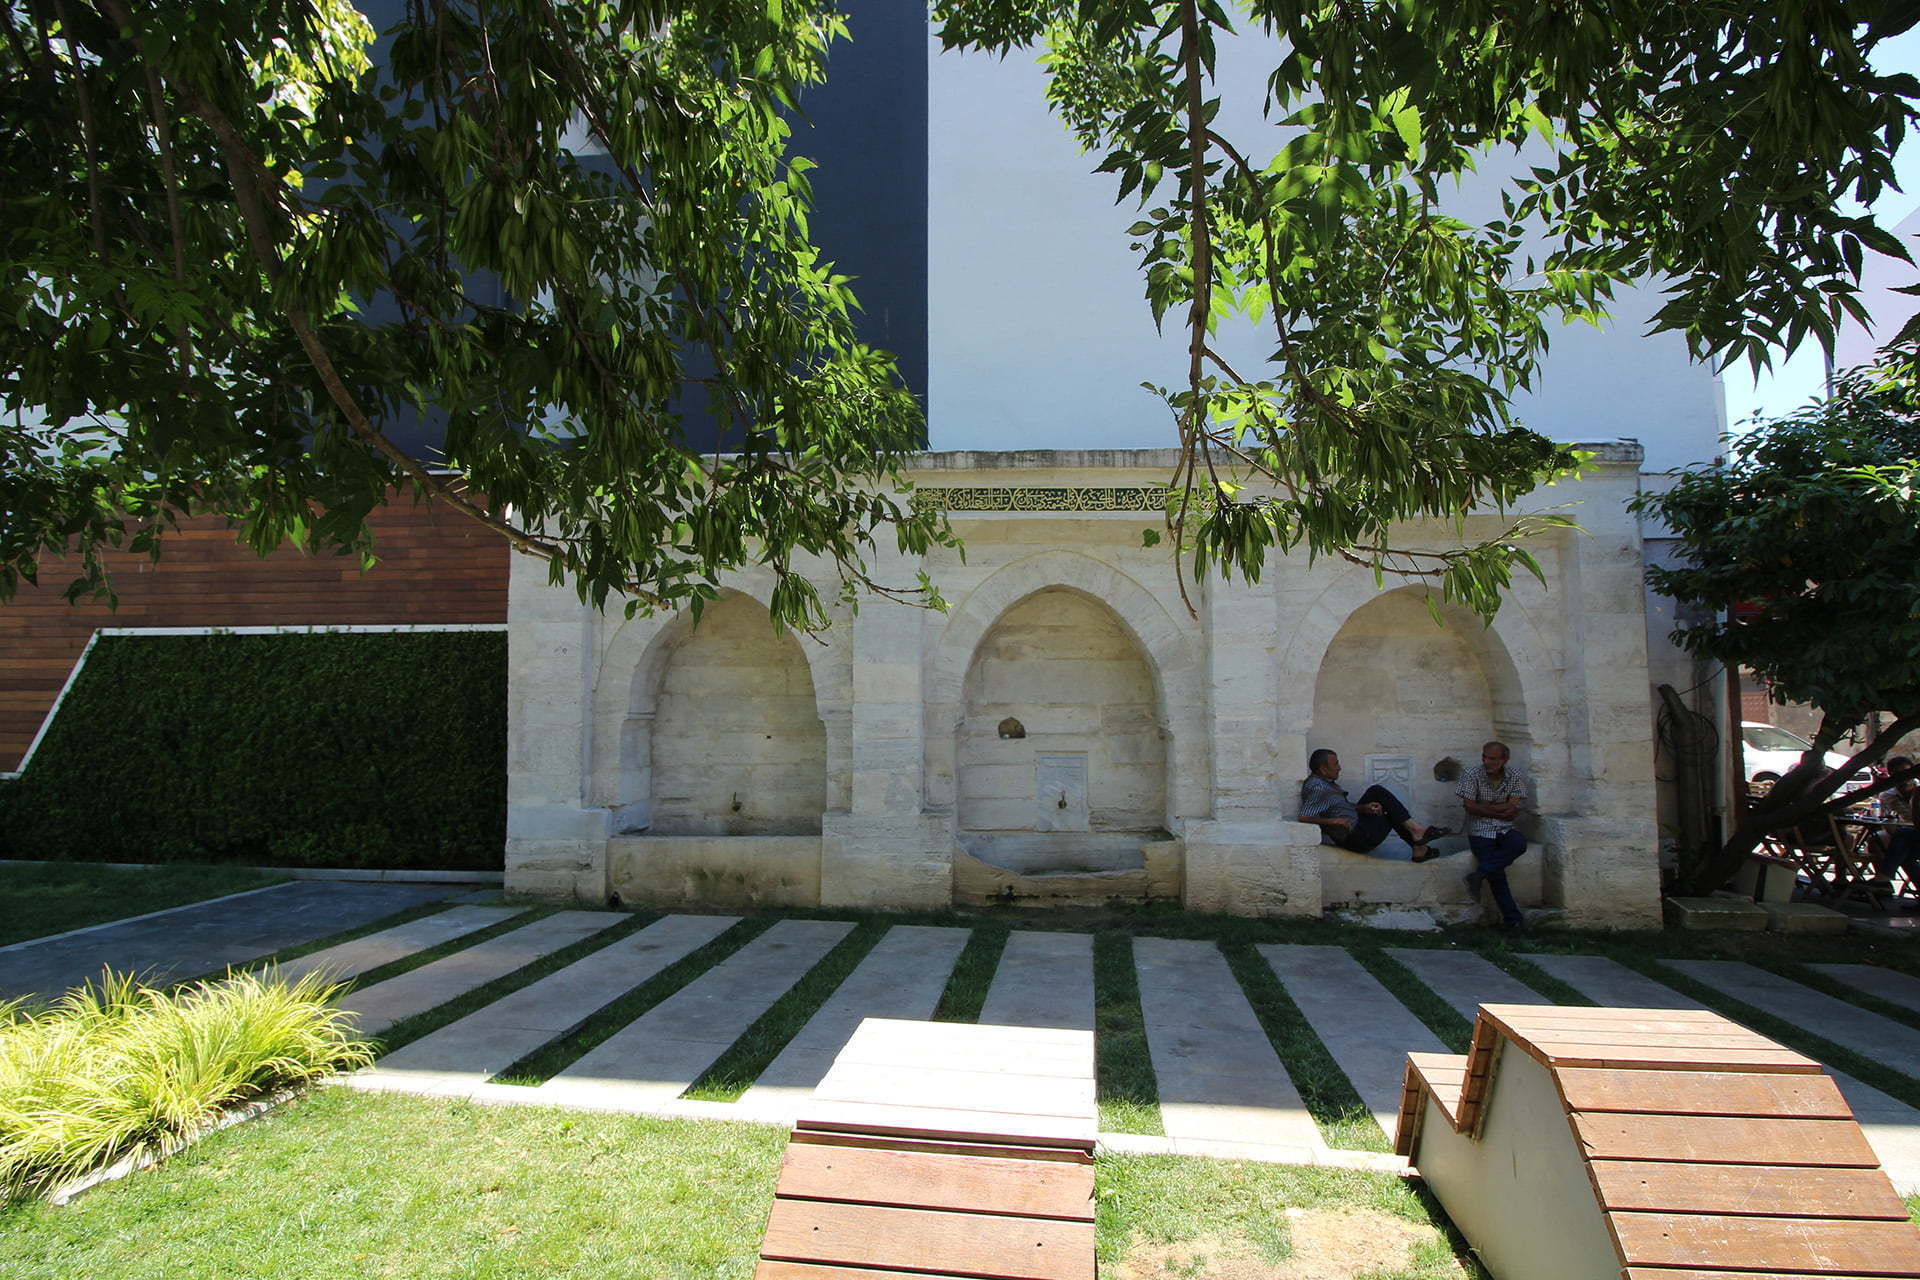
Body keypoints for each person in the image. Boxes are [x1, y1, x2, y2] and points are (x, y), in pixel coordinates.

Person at [1297, 748, 1453, 861]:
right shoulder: (1318, 787)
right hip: (1356, 838)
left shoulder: (1326, 783)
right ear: (1323, 769)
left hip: (1357, 824)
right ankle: (1417, 839)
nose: (1339, 767)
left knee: (1375, 792)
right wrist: (1333, 821)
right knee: (1388, 812)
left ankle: (1417, 841)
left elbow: (1338, 807)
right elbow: (1304, 817)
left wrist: (1363, 808)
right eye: (1335, 764)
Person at [1456, 740, 1530, 931]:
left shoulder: (1514, 776)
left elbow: (1513, 805)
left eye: (1493, 759)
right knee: (1497, 875)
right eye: (1485, 757)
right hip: (1480, 829)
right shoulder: (1472, 774)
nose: (1487, 762)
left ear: (1504, 760)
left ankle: (1479, 874)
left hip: (1505, 828)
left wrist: (1484, 807)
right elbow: (1470, 806)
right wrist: (1500, 812)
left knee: (1519, 843)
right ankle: (1514, 921)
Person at [1874, 756, 1920, 893]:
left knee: (1903, 838)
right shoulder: (1887, 795)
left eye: (1906, 773)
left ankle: (1883, 878)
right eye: (1897, 774)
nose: (1903, 778)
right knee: (1902, 852)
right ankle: (1883, 881)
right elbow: (1885, 819)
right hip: (1908, 836)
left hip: (1909, 834)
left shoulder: (1918, 791)